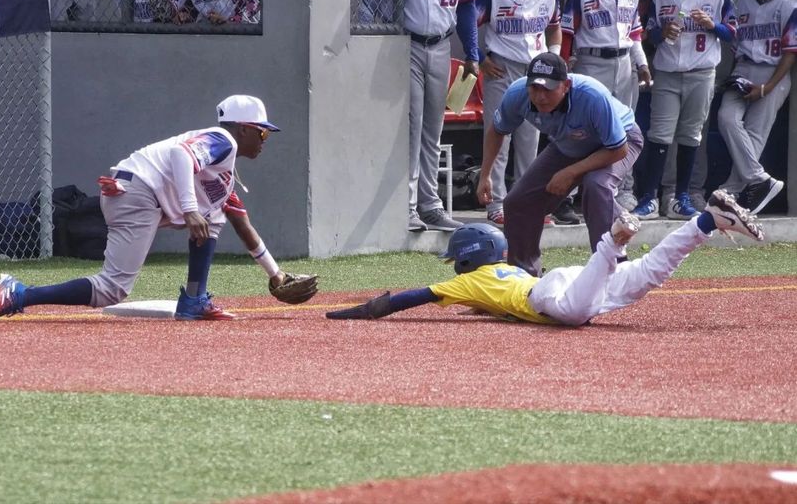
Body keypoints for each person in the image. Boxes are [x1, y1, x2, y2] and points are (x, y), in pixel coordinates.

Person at [0, 95, 318, 324]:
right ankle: (18, 293)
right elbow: (181, 155)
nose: (264, 139)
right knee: (111, 289)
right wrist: (188, 209)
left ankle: (194, 300)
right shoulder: (222, 140)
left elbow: (242, 225)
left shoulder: (222, 175)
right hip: (138, 193)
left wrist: (275, 275)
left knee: (213, 217)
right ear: (243, 128)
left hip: (138, 192)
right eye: (262, 132)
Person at [327, 191, 763, 326]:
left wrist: (358, 311)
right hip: (561, 279)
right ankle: (706, 222)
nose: (454, 267)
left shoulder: (468, 280)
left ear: (467, 258)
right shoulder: (502, 269)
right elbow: (496, 302)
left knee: (575, 315)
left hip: (555, 294)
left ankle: (614, 240)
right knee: (649, 274)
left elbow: (412, 297)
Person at [477, 52, 644, 277]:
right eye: (535, 88)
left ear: (565, 85)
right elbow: (497, 131)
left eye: (548, 89)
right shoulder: (517, 94)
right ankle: (523, 277)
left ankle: (611, 270)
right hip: (570, 145)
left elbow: (618, 149)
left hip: (619, 141)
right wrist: (485, 174)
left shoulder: (592, 95)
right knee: (518, 202)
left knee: (596, 185)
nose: (540, 96)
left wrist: (572, 172)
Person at [360, 0, 482, 232]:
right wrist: (371, 41)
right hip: (405, 44)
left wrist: (472, 52)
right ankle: (408, 207)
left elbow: (467, 6)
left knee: (433, 129)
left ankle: (430, 206)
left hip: (441, 45)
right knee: (414, 127)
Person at [631, 0, 736, 221]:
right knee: (659, 134)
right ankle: (649, 198)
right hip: (667, 73)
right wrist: (661, 34)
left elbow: (732, 32)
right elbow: (646, 34)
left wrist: (713, 25)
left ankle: (681, 197)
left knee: (691, 135)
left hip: (702, 73)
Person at [573, 0, 671, 213]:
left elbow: (635, 31)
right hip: (591, 62)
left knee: (626, 126)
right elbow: (569, 30)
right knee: (588, 127)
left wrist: (642, 64)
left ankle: (623, 188)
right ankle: (581, 190)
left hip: (625, 61)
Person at [474, 0, 561, 227]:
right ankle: (497, 204)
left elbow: (554, 27)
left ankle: (528, 203)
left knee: (530, 140)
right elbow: (469, 23)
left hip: (536, 72)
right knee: (499, 138)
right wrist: (480, 56)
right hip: (502, 69)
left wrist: (554, 58)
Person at [717, 0, 796, 214]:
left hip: (773, 73)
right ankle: (760, 180)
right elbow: (736, 40)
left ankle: (730, 191)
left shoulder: (790, 5)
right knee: (726, 118)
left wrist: (767, 88)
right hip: (743, 69)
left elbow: (790, 53)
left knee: (754, 134)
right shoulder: (745, 0)